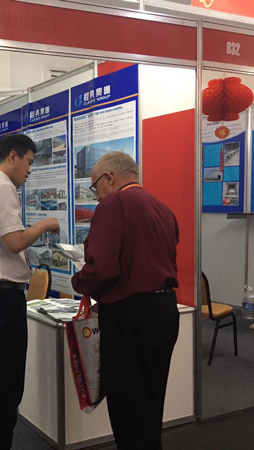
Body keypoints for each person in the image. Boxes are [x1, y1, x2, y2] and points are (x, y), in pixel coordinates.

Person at [71, 151, 180, 450]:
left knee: (127, 407)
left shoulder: (114, 203)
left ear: (109, 178)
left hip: (130, 317)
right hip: (164, 311)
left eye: (95, 187)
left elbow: (102, 268)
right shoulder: (163, 208)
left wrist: (79, 281)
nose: (96, 196)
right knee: (151, 401)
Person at [0, 134, 60, 450]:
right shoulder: (1, 185)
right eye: (29, 162)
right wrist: (44, 224)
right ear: (13, 156)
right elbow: (15, 242)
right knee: (5, 386)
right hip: (1, 299)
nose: (29, 171)